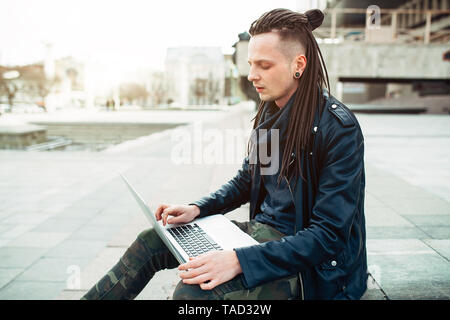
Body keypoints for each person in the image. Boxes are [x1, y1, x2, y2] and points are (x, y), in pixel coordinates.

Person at [82, 8, 367, 300]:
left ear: (299, 64)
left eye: (264, 66)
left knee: (194, 293)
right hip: (262, 237)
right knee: (152, 241)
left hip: (313, 268)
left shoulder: (338, 129)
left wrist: (239, 261)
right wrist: (198, 208)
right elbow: (247, 180)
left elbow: (328, 236)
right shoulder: (270, 110)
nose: (252, 75)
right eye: (251, 64)